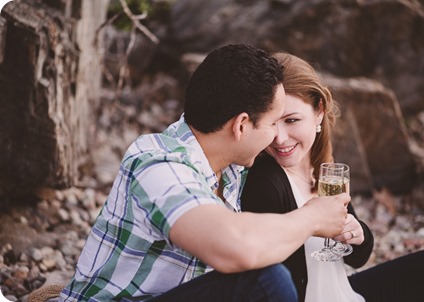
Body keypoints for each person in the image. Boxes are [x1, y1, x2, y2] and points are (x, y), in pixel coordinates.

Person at [59, 44, 351, 302]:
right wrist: (313, 217)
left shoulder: (231, 163)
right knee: (265, 280)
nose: (277, 137)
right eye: (274, 123)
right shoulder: (159, 164)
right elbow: (237, 248)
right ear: (241, 126)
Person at [241, 52, 424, 302]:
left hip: (345, 291)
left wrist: (357, 234)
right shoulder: (265, 182)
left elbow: (357, 257)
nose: (280, 138)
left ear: (319, 112)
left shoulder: (324, 169)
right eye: (271, 122)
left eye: (291, 120)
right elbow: (269, 281)